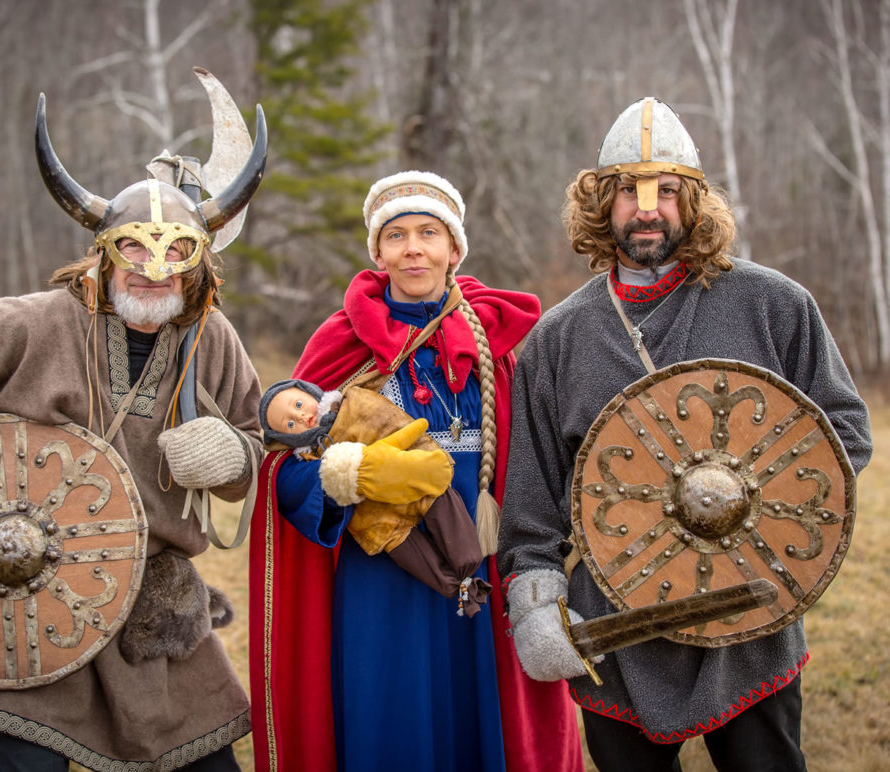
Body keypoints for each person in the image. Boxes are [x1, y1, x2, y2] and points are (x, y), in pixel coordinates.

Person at [0, 76, 268, 770]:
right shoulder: (28, 324)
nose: (152, 273)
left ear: (197, 263)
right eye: (134, 253)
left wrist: (235, 458)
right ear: (103, 250)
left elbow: (256, 443)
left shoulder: (215, 341)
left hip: (155, 608)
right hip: (29, 587)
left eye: (174, 256)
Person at [498, 97, 873, 771]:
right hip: (620, 626)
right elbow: (532, 496)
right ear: (600, 204)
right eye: (628, 192)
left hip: (752, 617)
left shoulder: (773, 304)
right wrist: (535, 598)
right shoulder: (559, 339)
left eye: (666, 191)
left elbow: (840, 428)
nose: (647, 209)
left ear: (694, 200)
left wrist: (764, 502)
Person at [248, 171, 584, 771]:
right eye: (396, 235)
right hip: (381, 580)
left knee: (490, 727)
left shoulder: (501, 344)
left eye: (429, 233)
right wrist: (344, 476)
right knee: (396, 726)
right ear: (377, 252)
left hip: (490, 567)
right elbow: (285, 471)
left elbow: (543, 459)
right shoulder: (341, 344)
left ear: (454, 249)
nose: (413, 248)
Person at [260, 378, 491, 616]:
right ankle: (459, 587)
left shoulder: (356, 402)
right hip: (381, 522)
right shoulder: (311, 458)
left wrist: (418, 453)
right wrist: (342, 474)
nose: (299, 417)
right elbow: (306, 486)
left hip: (414, 475)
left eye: (298, 405)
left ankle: (468, 568)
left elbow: (391, 422)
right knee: (411, 554)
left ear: (309, 391)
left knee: (443, 509)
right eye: (289, 424)